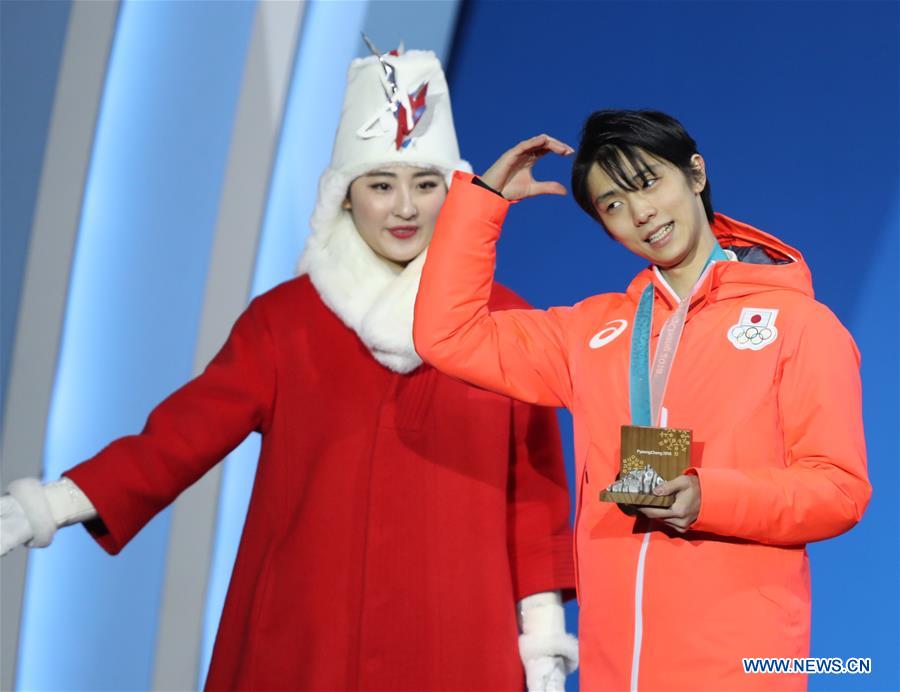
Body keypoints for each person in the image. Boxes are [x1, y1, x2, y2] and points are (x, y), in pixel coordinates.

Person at [0, 48, 579, 691]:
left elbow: (535, 499)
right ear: (344, 195)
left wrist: (544, 650)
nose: (405, 208)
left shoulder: (502, 321)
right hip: (305, 635)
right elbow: (179, 438)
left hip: (460, 640)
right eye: (380, 184)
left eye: (425, 183)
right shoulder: (286, 321)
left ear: (454, 190)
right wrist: (50, 506)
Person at [413, 110, 871, 690]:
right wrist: (483, 202)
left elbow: (839, 489)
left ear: (695, 174)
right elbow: (446, 335)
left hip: (740, 668)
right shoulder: (591, 331)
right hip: (613, 670)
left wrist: (710, 495)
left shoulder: (801, 325)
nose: (641, 213)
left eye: (649, 182)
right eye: (613, 205)